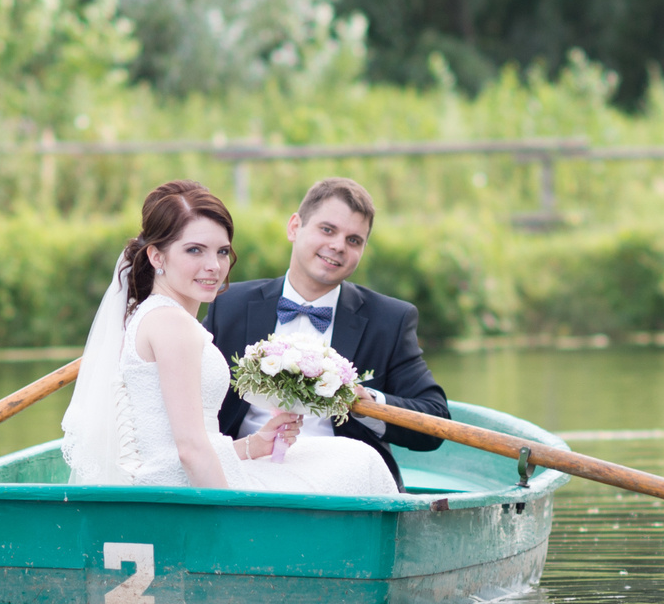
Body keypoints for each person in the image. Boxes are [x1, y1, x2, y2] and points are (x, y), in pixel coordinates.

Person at [59, 180, 393, 494]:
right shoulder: (173, 325)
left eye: (221, 252)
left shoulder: (151, 314)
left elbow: (169, 448)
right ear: (157, 256)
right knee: (360, 464)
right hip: (188, 493)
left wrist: (254, 444)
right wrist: (230, 521)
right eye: (194, 251)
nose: (214, 266)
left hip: (181, 477)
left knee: (350, 458)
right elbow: (190, 452)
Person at [206, 176, 450, 492]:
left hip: (343, 484)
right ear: (294, 227)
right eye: (327, 229)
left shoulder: (389, 320)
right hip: (246, 473)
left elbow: (435, 422)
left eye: (354, 240)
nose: (338, 246)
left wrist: (368, 403)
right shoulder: (229, 304)